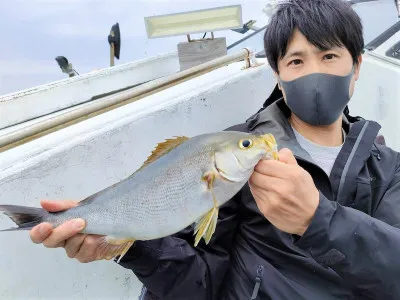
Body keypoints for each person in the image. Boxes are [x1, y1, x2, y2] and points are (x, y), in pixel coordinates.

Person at [29, 0, 400, 299]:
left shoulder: (389, 170)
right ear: (278, 75)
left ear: (357, 67)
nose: (314, 72)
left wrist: (318, 220)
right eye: (296, 61)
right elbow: (198, 283)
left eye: (330, 57)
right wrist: (128, 247)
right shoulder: (237, 155)